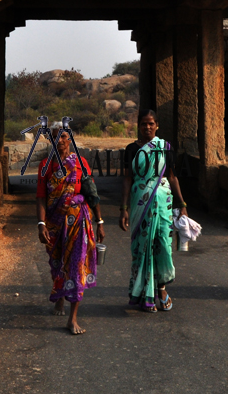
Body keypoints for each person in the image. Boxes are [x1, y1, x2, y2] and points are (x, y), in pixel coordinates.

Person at [36, 126, 104, 335]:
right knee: (58, 263)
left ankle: (72, 318)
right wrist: (41, 224)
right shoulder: (46, 166)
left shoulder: (81, 164)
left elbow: (91, 192)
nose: (60, 141)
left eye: (64, 137)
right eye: (55, 137)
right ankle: (60, 296)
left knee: (76, 264)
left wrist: (99, 221)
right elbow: (41, 197)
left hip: (78, 221)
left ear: (70, 139)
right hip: (55, 224)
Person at [119, 110, 187, 312]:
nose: (147, 127)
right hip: (140, 203)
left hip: (163, 203)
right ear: (138, 126)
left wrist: (182, 205)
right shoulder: (132, 149)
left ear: (157, 125)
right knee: (143, 247)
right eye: (143, 124)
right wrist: (124, 209)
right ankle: (144, 293)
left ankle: (161, 288)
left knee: (163, 245)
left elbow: (172, 177)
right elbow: (128, 179)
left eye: (151, 123)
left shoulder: (165, 147)